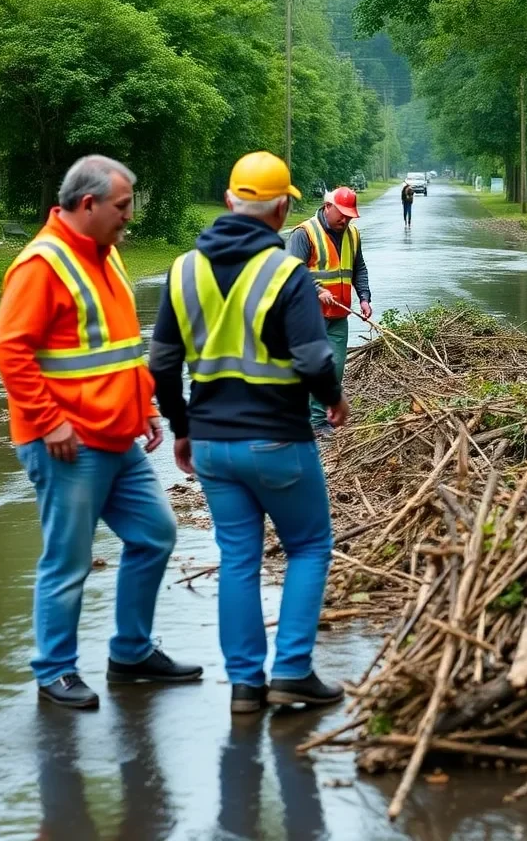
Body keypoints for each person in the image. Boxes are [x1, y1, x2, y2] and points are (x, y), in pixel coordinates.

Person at [0, 154, 201, 711]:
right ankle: (54, 670)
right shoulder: (44, 263)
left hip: (118, 435)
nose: (129, 216)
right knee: (68, 559)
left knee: (155, 535)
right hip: (67, 442)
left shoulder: (106, 257)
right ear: (88, 204)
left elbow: (119, 347)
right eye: (123, 206)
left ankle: (130, 653)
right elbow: (8, 349)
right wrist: (48, 420)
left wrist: (146, 408)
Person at [150, 151, 349, 715]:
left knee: (238, 558)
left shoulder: (184, 268)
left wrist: (182, 428)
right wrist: (334, 399)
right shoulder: (286, 272)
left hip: (212, 446)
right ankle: (291, 672)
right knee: (309, 546)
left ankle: (244, 686)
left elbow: (163, 364)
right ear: (284, 209)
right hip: (278, 442)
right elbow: (313, 358)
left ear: (230, 201)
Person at [287, 186, 371, 437]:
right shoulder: (304, 233)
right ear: (327, 207)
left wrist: (364, 298)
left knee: (335, 368)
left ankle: (318, 417)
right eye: (341, 214)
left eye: (349, 216)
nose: (344, 220)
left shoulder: (353, 235)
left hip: (338, 316)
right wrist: (316, 289)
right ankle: (314, 421)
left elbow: (360, 269)